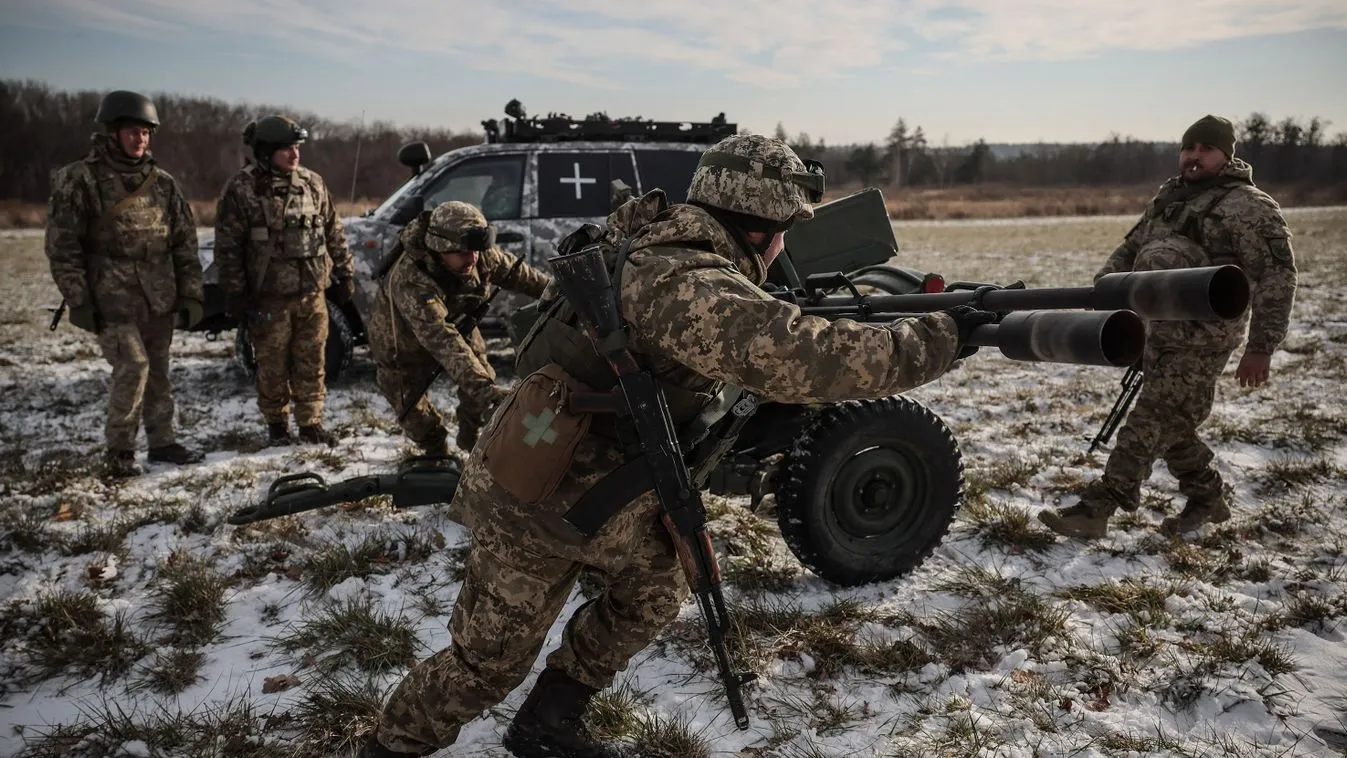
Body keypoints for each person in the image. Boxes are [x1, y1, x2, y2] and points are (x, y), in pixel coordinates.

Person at [360, 134, 993, 758]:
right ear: (759, 228)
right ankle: (390, 748)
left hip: (605, 484)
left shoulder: (660, 236)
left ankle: (547, 723)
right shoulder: (679, 277)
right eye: (783, 232)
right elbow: (806, 359)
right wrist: (938, 338)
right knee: (486, 667)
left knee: (658, 583)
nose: (782, 248)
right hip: (539, 499)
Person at [1039, 115, 1298, 539]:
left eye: (1206, 149)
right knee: (1173, 422)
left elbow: (1277, 276)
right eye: (1188, 148)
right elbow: (1131, 250)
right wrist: (1102, 297)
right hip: (1155, 331)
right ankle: (1208, 499)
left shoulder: (1250, 206)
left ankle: (1098, 508)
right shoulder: (1171, 197)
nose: (1194, 157)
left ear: (1226, 155)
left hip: (1204, 340)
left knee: (1149, 420)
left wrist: (1262, 346)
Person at [45, 89, 206, 478]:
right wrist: (79, 299)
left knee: (160, 370)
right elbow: (62, 246)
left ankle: (162, 441)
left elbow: (184, 242)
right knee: (133, 367)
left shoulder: (163, 184)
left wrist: (191, 295)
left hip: (159, 296)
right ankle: (119, 451)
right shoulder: (79, 180)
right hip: (110, 299)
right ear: (113, 132)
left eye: (147, 133)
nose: (141, 140)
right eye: (133, 131)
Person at [366, 200, 551, 455]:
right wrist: (488, 393)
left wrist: (560, 292)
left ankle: (471, 440)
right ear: (440, 249)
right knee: (418, 420)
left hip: (457, 326)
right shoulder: (410, 279)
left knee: (480, 383)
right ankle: (437, 456)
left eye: (476, 251)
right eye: (463, 253)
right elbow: (443, 341)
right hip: (402, 346)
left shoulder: (477, 253)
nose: (472, 259)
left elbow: (525, 278)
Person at [213, 115, 356, 446]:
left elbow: (334, 231)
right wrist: (235, 290)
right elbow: (228, 246)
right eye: (286, 149)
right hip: (269, 298)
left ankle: (311, 423)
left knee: (312, 360)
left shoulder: (312, 183)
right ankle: (277, 426)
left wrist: (345, 273)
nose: (294, 156)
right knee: (272, 364)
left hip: (312, 294)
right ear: (265, 152)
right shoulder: (242, 188)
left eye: (297, 148)